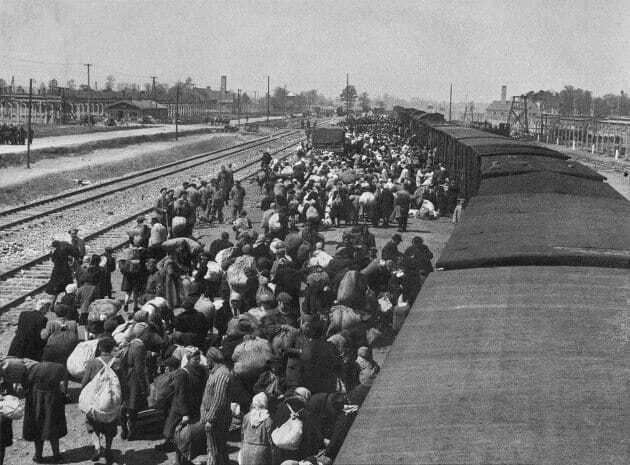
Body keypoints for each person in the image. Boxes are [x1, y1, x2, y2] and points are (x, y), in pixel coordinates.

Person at [157, 348, 207, 452]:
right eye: (195, 359)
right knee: (173, 428)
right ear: (188, 359)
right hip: (181, 406)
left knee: (188, 430)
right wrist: (185, 413)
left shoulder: (201, 371)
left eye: (198, 359)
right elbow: (181, 394)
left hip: (194, 404)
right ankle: (170, 446)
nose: (197, 361)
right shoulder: (182, 373)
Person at [80, 336, 120, 464]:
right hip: (111, 401)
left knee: (92, 422)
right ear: (112, 348)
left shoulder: (93, 363)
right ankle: (108, 449)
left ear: (99, 348)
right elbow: (122, 381)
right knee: (110, 424)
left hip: (95, 401)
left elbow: (84, 382)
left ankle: (97, 447)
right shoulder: (117, 362)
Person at [22, 361, 67, 463]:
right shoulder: (60, 366)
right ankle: (56, 455)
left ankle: (38, 456)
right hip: (53, 398)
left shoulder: (34, 367)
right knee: (53, 426)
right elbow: (64, 385)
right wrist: (63, 395)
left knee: (38, 426)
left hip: (36, 399)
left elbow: (25, 383)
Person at [200, 347, 233, 465]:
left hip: (218, 419)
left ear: (211, 359)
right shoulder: (215, 372)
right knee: (218, 448)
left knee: (215, 449)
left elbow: (219, 400)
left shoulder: (221, 374)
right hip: (214, 417)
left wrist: (210, 418)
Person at [119, 323, 150, 440]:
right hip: (134, 378)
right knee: (133, 406)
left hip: (126, 375)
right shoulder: (140, 346)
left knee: (124, 403)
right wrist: (144, 387)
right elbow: (139, 369)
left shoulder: (131, 343)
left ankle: (123, 429)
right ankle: (131, 430)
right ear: (143, 334)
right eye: (147, 332)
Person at [240, 392, 274, 465]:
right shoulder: (268, 420)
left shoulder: (246, 417)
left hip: (246, 449)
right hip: (261, 453)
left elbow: (242, 435)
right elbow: (271, 441)